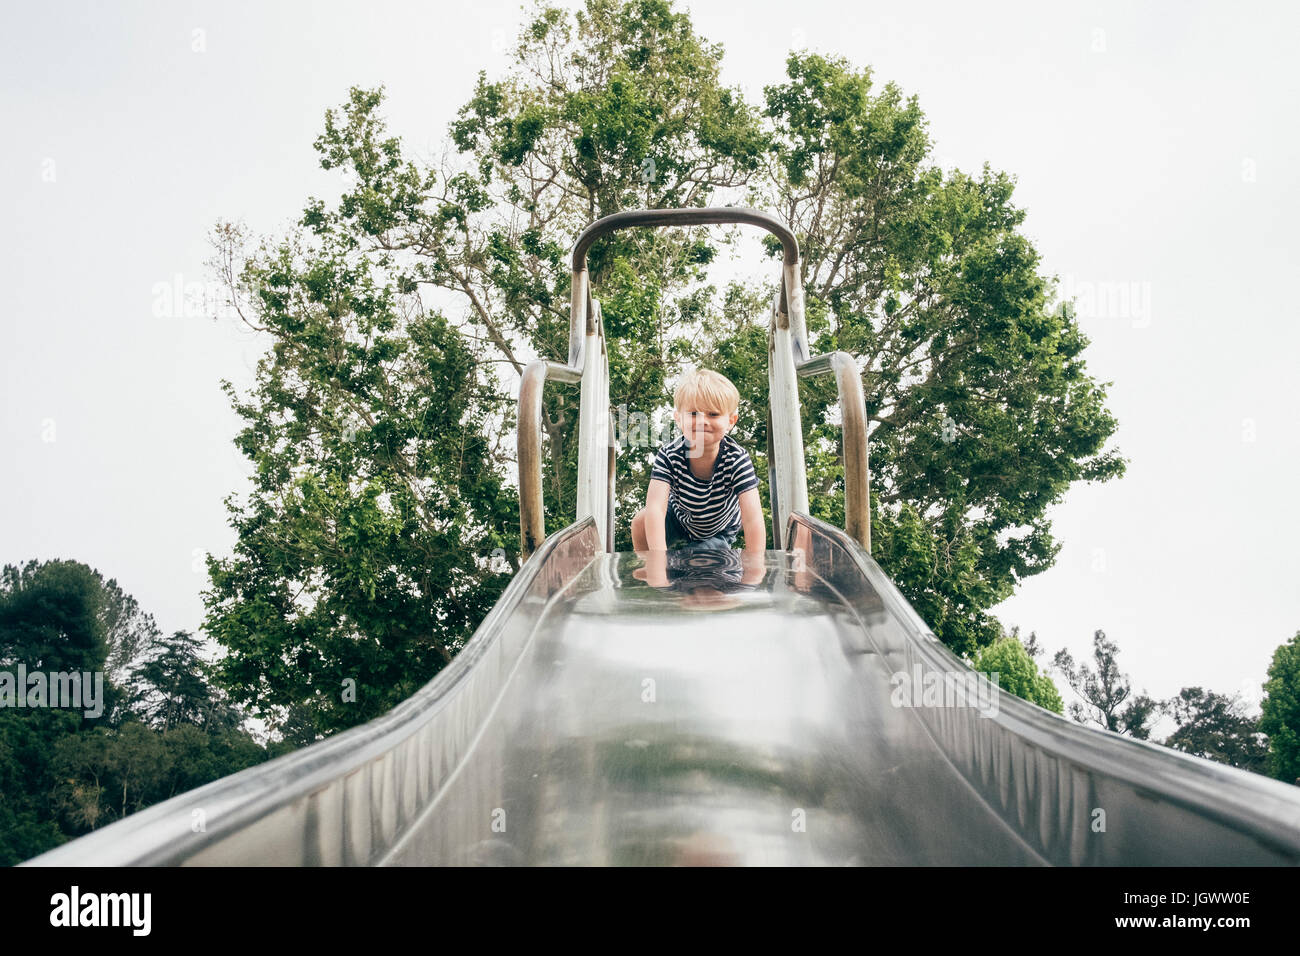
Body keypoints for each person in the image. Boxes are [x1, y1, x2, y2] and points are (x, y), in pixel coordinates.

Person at [630, 369, 766, 585]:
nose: (702, 421)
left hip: (719, 529)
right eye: (693, 414)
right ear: (678, 419)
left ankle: (695, 574)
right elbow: (656, 509)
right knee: (641, 521)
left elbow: (752, 518)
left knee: (695, 562)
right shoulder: (669, 454)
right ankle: (648, 564)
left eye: (713, 414)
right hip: (680, 518)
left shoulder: (736, 459)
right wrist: (658, 560)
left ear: (731, 420)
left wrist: (755, 568)